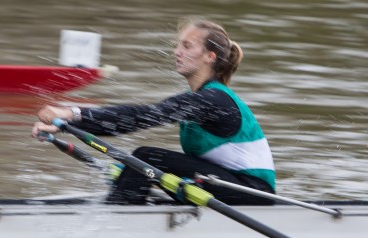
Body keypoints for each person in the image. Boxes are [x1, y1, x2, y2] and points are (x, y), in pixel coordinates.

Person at [32, 18, 276, 206]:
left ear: (209, 57)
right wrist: (65, 125)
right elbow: (134, 119)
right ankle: (120, 214)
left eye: (187, 46)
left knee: (147, 158)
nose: (176, 52)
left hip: (253, 194)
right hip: (224, 183)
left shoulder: (213, 100)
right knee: (141, 165)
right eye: (178, 45)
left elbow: (144, 116)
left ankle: (113, 226)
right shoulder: (203, 98)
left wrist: (72, 113)